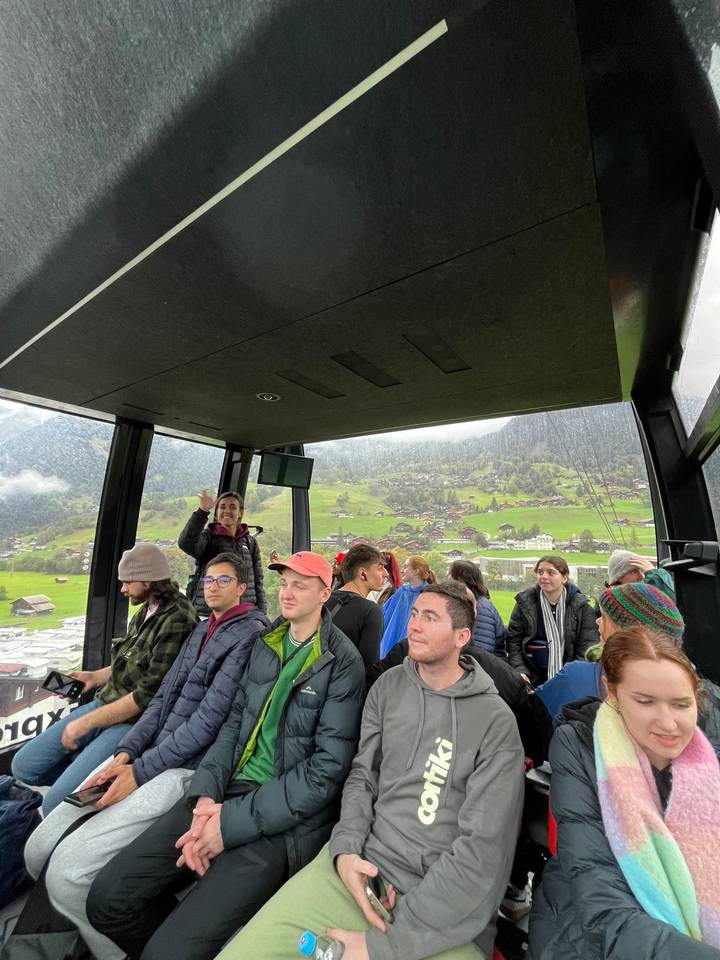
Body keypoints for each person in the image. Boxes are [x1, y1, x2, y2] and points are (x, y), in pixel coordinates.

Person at [215, 581, 525, 960]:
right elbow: (362, 779)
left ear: (462, 636)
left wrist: (384, 946)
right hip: (360, 865)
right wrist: (345, 850)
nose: (413, 625)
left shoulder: (494, 722)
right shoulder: (388, 687)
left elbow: (482, 852)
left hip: (440, 906)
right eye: (414, 614)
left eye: (430, 618)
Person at [85, 551, 365, 960]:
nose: (287, 593)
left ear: (325, 593)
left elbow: (324, 773)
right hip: (224, 790)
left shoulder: (342, 663)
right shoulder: (266, 644)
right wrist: (205, 795)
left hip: (281, 820)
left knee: (167, 952)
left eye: (300, 586)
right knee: (107, 900)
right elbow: (233, 724)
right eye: (284, 583)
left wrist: (228, 824)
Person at [21, 553, 270, 960]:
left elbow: (207, 723)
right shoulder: (202, 629)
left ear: (242, 588)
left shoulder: (248, 637)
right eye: (208, 580)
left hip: (184, 768)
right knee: (39, 847)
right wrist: (126, 752)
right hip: (149, 753)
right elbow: (161, 699)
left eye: (223, 580)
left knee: (68, 872)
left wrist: (140, 771)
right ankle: (74, 927)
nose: (212, 587)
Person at [529, 627, 720, 959]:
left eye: (681, 704)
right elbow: (603, 905)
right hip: (582, 933)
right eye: (644, 701)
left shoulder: (703, 761)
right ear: (612, 693)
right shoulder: (580, 745)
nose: (668, 723)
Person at [12, 543, 196, 814]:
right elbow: (132, 661)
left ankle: (89, 784)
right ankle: (83, 773)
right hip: (106, 702)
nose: (123, 589)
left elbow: (148, 696)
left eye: (127, 582)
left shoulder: (178, 620)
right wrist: (94, 677)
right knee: (23, 766)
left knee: (55, 803)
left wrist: (87, 722)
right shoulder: (148, 607)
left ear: (148, 580)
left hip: (132, 722)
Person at [535, 581, 685, 720]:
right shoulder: (689, 687)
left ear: (624, 632)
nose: (597, 621)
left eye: (605, 618)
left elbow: (533, 716)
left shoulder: (576, 677)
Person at [506, 555, 597, 686]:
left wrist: (571, 679)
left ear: (564, 578)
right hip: (531, 680)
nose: (544, 577)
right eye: (540, 572)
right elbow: (514, 643)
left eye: (551, 573)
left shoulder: (582, 608)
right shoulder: (524, 604)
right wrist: (521, 672)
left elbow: (587, 647)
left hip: (571, 681)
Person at [179, 490, 266, 615]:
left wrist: (261, 612)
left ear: (240, 513)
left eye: (233, 507)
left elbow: (258, 580)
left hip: (245, 614)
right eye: (222, 507)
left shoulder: (250, 542)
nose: (227, 511)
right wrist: (202, 511)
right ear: (217, 512)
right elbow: (186, 543)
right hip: (209, 613)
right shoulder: (208, 537)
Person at [326, 545, 386, 666]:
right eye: (380, 568)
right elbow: (368, 666)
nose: (386, 573)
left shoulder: (323, 599)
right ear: (362, 573)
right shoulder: (370, 611)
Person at [379, 555, 437, 658]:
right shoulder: (401, 592)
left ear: (416, 571)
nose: (401, 570)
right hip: (391, 647)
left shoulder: (429, 595)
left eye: (405, 567)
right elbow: (384, 616)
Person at [448, 558, 506, 656]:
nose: (448, 579)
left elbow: (481, 654)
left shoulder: (481, 609)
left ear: (460, 580)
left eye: (450, 575)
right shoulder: (469, 604)